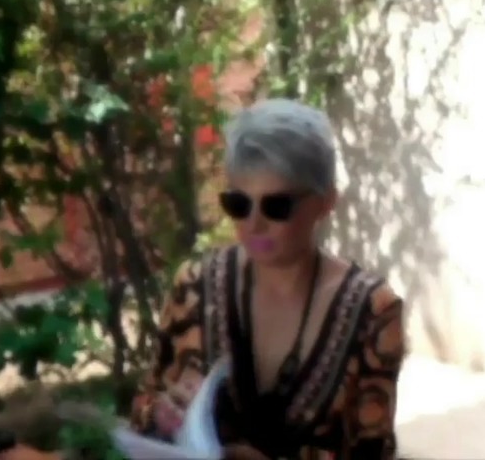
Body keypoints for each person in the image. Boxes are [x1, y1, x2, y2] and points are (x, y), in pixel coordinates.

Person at [129, 98, 406, 460]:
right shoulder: (195, 286)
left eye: (276, 206)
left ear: (326, 202)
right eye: (239, 204)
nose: (254, 224)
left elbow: (372, 450)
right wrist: (160, 414)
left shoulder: (372, 310)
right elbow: (143, 407)